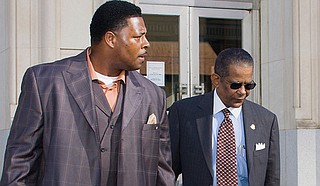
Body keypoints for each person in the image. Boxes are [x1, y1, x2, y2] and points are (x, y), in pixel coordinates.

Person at [0, 1, 175, 185]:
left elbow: (162, 171)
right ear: (110, 39)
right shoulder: (45, 82)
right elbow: (20, 163)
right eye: (138, 37)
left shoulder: (153, 95)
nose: (146, 44)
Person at [168, 48, 280, 186]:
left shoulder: (266, 120)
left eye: (249, 85)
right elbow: (168, 170)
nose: (243, 92)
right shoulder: (183, 113)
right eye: (235, 85)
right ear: (216, 80)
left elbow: (272, 178)